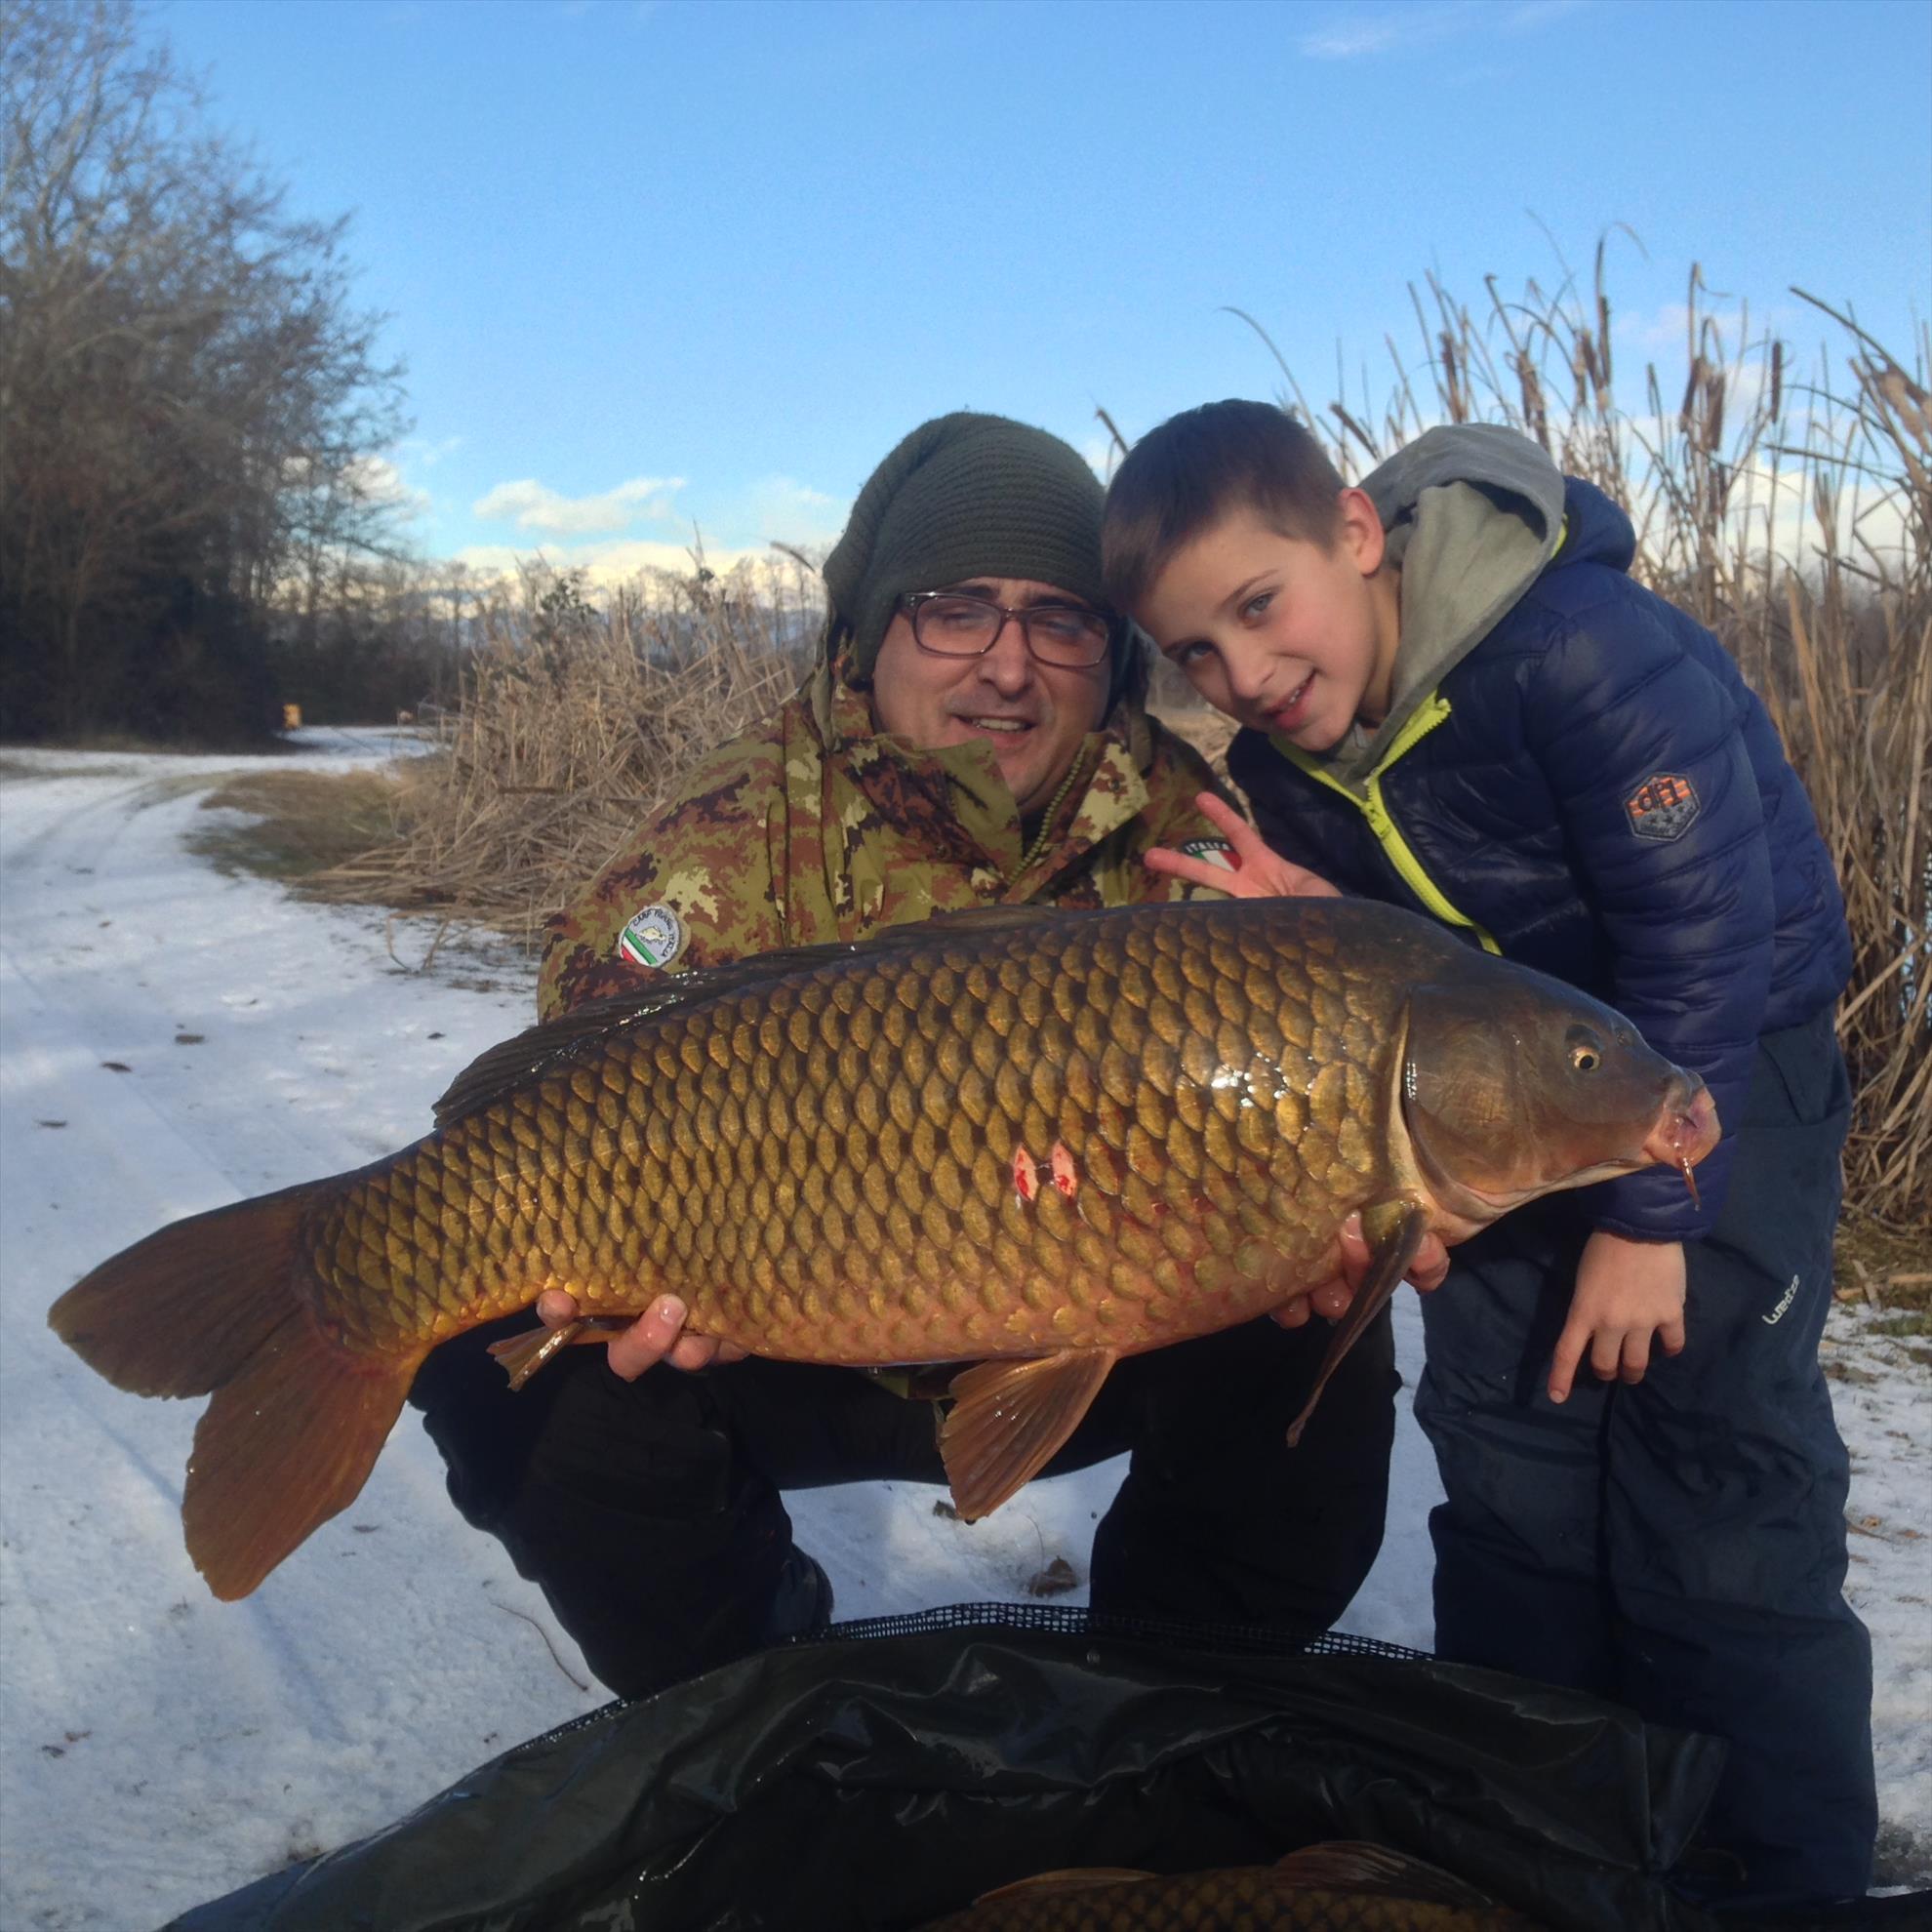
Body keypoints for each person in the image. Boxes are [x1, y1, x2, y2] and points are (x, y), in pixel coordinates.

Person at [407, 412, 1445, 1703]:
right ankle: (744, 1691)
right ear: (867, 635)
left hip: (1102, 1316)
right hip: (787, 1329)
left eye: (1060, 621)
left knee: (1323, 1308)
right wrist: (633, 1282)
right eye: (956, 611)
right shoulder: (728, 837)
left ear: (1113, 653)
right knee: (502, 1358)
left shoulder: (1197, 837)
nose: (1008, 666)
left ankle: (1169, 1692)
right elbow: (555, 1096)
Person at [1101, 400, 1873, 1911]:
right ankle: (1535, 1865)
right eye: (1196, 653)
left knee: (1718, 1492)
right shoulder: (1285, 763)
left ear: (1355, 532)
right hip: (1488, 1105)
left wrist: (1649, 1218)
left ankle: (1778, 1882)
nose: (1244, 675)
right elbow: (1421, 975)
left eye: (1259, 607)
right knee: (1514, 1471)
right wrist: (1311, 926)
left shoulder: (1579, 650)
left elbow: (1703, 936)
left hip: (1716, 1077)